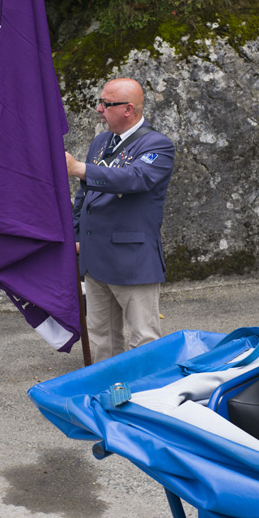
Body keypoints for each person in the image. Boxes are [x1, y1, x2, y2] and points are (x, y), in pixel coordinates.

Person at [65, 78, 175, 362]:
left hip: (132, 258)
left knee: (144, 339)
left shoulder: (158, 145)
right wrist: (76, 235)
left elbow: (135, 178)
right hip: (94, 257)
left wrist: (78, 168)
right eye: (99, 102)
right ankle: (108, 395)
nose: (99, 109)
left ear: (128, 109)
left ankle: (145, 397)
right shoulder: (101, 142)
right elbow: (84, 196)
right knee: (101, 338)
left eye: (106, 103)